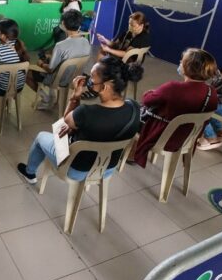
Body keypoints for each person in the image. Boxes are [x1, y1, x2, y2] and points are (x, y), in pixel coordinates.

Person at [17, 56, 142, 184]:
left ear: (104, 87)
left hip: (76, 170)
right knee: (69, 128)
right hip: (107, 169)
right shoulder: (134, 107)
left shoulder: (86, 112)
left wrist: (76, 96)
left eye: (92, 77)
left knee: (41, 137)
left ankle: (30, 173)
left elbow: (66, 120)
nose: (89, 79)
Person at [130, 48, 219, 167]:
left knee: (132, 109)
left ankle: (131, 154)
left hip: (161, 136)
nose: (180, 63)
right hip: (186, 139)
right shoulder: (211, 92)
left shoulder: (173, 88)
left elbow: (147, 101)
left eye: (182, 61)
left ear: (188, 67)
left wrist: (149, 93)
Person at [27, 10, 91, 105]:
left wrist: (41, 63)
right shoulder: (86, 42)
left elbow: (50, 69)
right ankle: (52, 98)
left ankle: (46, 99)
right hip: (75, 77)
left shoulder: (60, 45)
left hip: (59, 79)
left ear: (63, 24)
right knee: (50, 59)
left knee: (27, 74)